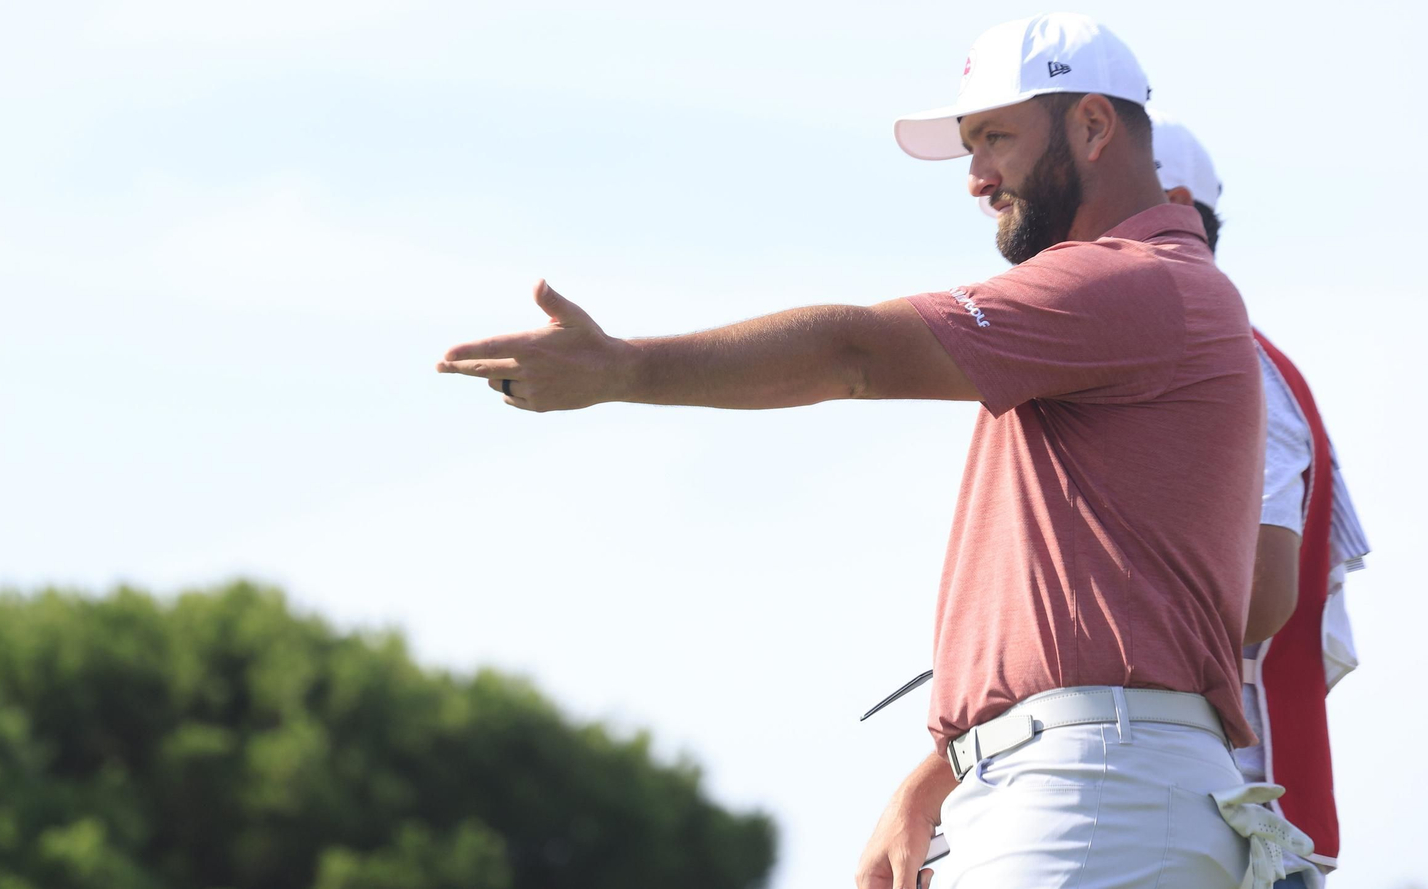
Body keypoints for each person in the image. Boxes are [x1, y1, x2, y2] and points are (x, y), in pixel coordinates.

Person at [437, 13, 1304, 887]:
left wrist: (625, 370)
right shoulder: (1141, 302)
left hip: (1093, 788)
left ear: (1090, 125)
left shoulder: (1132, 281)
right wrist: (946, 768)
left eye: (995, 137)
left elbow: (853, 354)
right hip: (1091, 783)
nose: (975, 178)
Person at [1150, 111, 1372, 889]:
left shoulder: (1228, 360)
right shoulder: (1247, 356)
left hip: (1228, 816)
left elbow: (1260, 598)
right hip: (1219, 813)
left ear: (1170, 200)